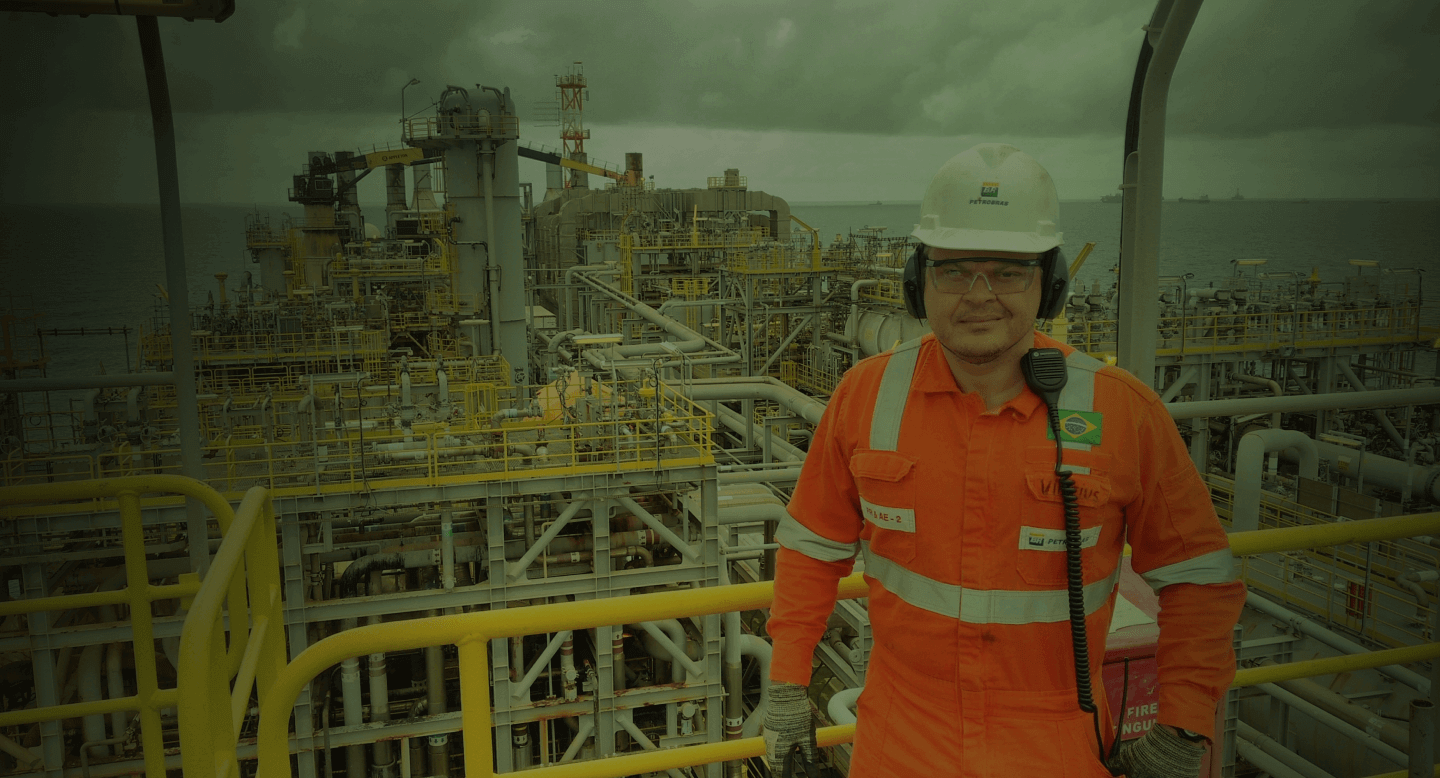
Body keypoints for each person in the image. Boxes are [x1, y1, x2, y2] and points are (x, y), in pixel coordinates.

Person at [762, 143, 1246, 778]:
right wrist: (787, 687)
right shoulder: (866, 395)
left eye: (1010, 271)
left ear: (1049, 283)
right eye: (955, 270)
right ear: (917, 282)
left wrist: (1182, 727)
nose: (979, 295)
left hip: (1054, 747)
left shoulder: (1122, 412)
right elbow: (812, 546)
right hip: (900, 741)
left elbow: (1199, 578)